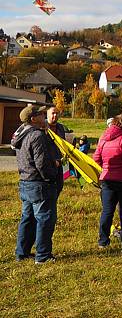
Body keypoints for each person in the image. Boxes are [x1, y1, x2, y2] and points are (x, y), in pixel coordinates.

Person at [13, 104, 63, 264]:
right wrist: (51, 174)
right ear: (33, 119)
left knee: (27, 218)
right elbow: (41, 163)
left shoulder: (21, 133)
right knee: (45, 219)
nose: (44, 116)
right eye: (41, 114)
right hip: (39, 184)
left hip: (25, 181)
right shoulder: (37, 136)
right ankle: (43, 256)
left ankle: (22, 252)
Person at [93, 114, 122, 251]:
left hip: (107, 180)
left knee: (107, 211)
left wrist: (104, 169)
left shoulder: (103, 139)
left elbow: (96, 158)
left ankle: (103, 241)